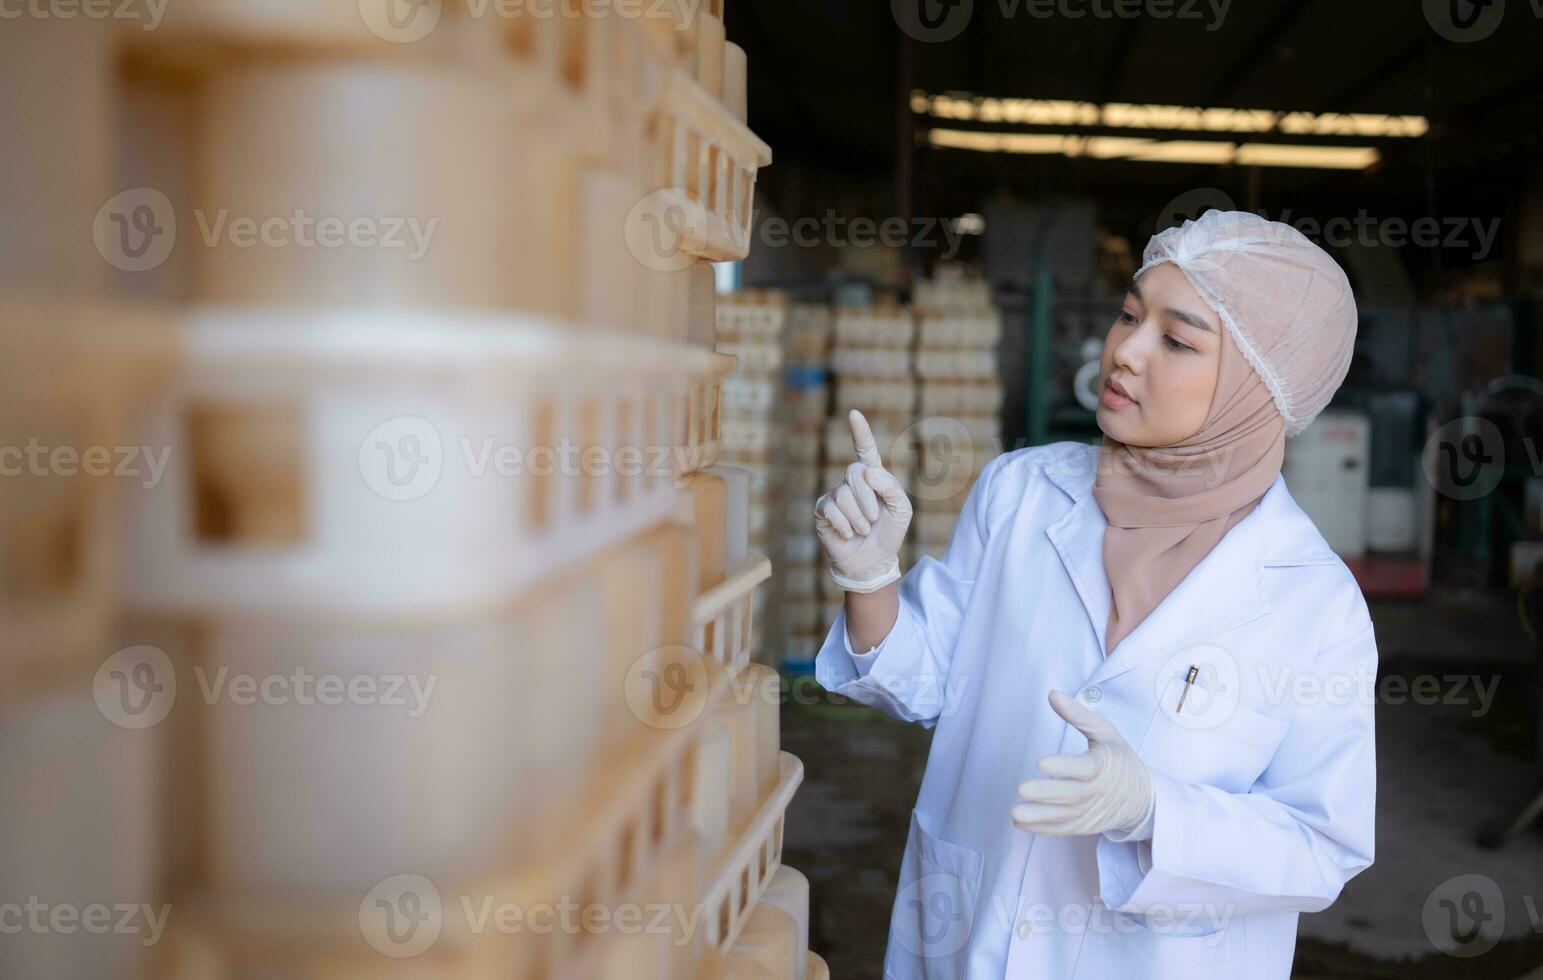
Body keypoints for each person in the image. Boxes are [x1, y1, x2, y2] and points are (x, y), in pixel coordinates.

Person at [813, 210, 1375, 979]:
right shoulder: (1021, 491)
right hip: (966, 935)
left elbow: (1321, 846)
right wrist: (871, 577)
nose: (1123, 352)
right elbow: (930, 680)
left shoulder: (1313, 601)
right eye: (1128, 315)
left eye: (1175, 341)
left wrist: (1154, 812)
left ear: (1256, 386)